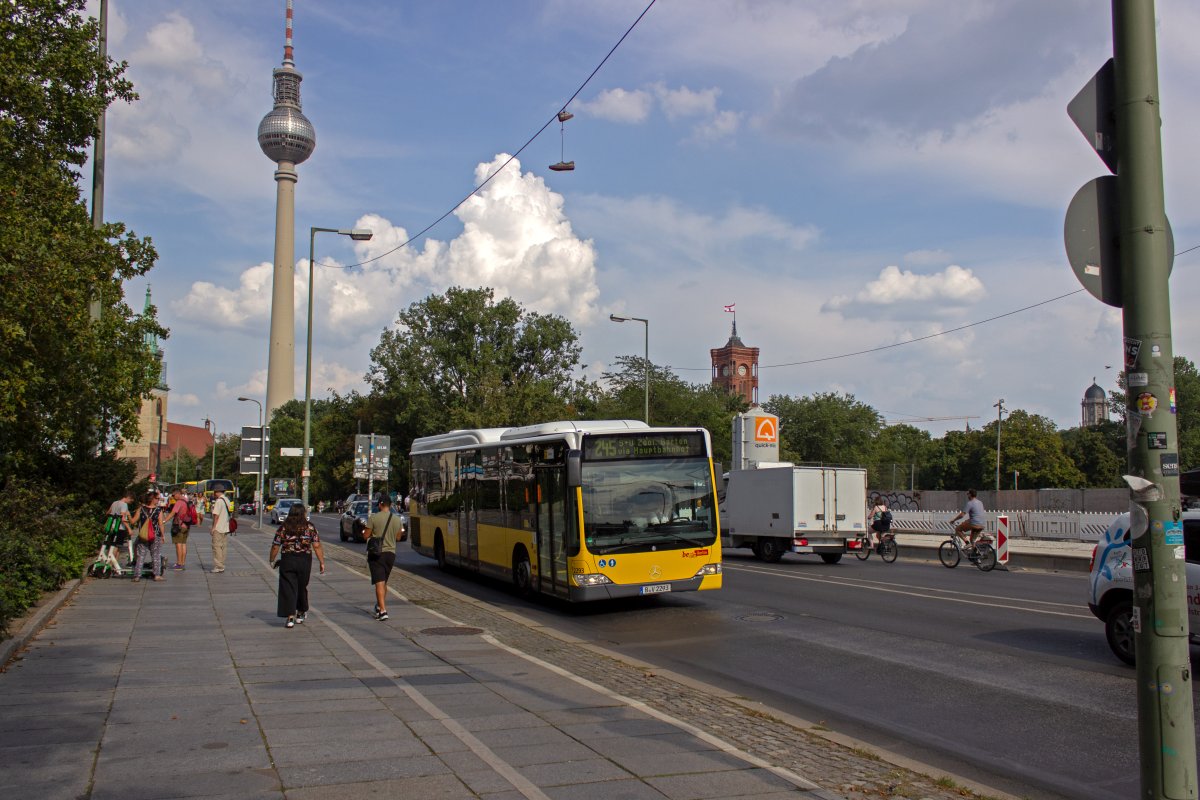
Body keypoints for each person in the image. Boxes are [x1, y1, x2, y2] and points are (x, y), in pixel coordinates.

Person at [268, 504, 325, 628]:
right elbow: (316, 545)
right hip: (304, 560)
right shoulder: (310, 527)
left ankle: (290, 617)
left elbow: (276, 545)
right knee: (302, 586)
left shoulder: (283, 527)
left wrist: (272, 559)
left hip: (288, 559)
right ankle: (301, 612)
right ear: (303, 513)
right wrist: (321, 562)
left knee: (288, 587)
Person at [362, 495, 404, 621]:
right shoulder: (397, 519)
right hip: (391, 554)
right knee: (383, 581)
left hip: (377, 554)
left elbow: (366, 536)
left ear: (380, 505)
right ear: (390, 505)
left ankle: (383, 611)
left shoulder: (374, 518)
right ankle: (380, 606)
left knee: (379, 582)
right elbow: (398, 537)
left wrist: (364, 532)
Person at [131, 490, 174, 582]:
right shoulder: (158, 510)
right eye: (157, 498)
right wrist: (163, 535)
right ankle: (157, 575)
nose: (158, 500)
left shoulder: (140, 509)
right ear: (152, 499)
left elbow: (133, 521)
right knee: (156, 555)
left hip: (142, 536)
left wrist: (127, 516)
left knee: (140, 556)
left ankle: (137, 576)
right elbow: (161, 524)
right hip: (155, 536)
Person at [210, 485, 234, 573]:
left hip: (219, 527)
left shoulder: (219, 501)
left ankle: (218, 566)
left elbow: (216, 515)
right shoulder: (227, 500)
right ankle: (222, 563)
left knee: (216, 546)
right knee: (223, 547)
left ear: (217, 492)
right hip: (225, 526)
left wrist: (213, 527)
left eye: (214, 492)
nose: (214, 494)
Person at [168, 489, 192, 570]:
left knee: (178, 544)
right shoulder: (186, 500)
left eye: (173, 495)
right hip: (187, 525)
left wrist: (164, 520)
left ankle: (179, 563)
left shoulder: (179, 502)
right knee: (183, 544)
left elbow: (173, 513)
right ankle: (183, 563)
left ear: (177, 494)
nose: (173, 497)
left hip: (179, 526)